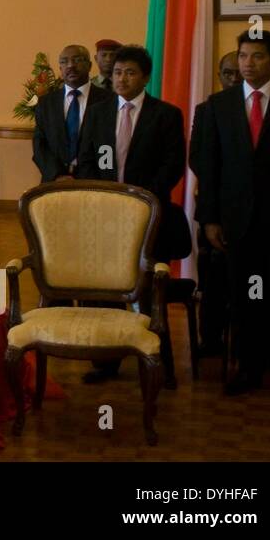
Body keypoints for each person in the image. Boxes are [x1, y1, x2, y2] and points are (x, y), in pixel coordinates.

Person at [195, 29, 270, 401]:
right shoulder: (217, 106)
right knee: (245, 298)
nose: (248, 63)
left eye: (257, 56)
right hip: (236, 223)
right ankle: (248, 367)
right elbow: (206, 167)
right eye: (243, 56)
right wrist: (209, 218)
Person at [75, 44, 189, 386]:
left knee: (151, 293)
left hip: (151, 218)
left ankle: (157, 362)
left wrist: (140, 200)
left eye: (130, 73)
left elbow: (172, 165)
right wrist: (109, 198)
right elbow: (88, 161)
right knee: (104, 289)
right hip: (105, 217)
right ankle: (106, 361)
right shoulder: (97, 113)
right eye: (117, 72)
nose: (121, 79)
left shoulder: (165, 115)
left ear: (146, 77)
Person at [190, 50, 241, 356]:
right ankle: (210, 340)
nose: (234, 78)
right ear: (219, 76)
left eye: (238, 72)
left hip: (258, 215)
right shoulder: (207, 109)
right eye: (227, 73)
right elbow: (198, 158)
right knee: (213, 282)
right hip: (216, 211)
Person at [32, 44, 111, 182]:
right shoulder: (46, 103)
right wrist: (57, 175)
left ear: (90, 65)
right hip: (55, 181)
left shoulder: (108, 100)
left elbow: (108, 145)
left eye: (77, 60)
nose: (70, 66)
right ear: (60, 68)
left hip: (94, 183)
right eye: (64, 62)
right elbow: (40, 146)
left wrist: (103, 179)